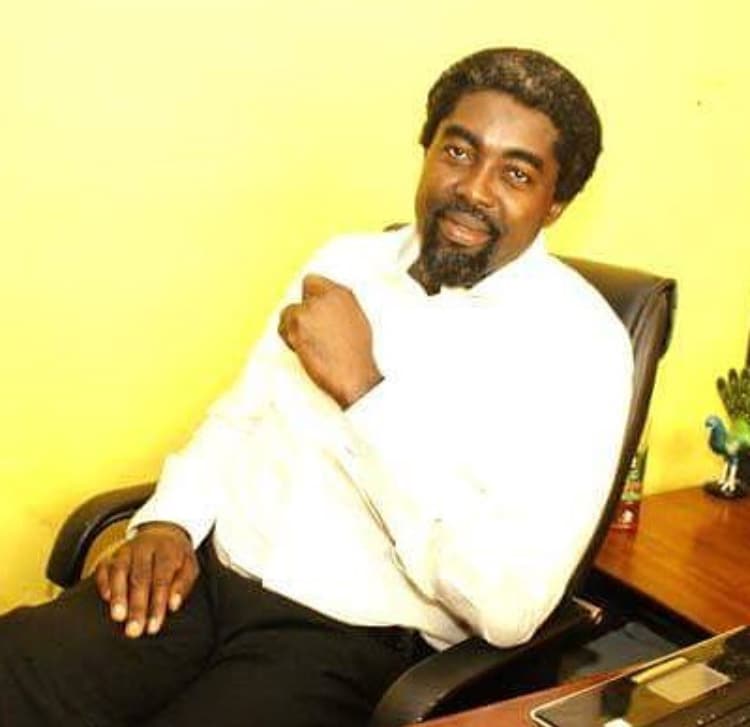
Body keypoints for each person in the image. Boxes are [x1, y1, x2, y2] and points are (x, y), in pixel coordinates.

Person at [0, 47, 633, 726]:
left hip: (345, 643)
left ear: (556, 202)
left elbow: (510, 606)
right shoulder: (345, 261)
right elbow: (242, 416)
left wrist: (366, 393)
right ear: (426, 151)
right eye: (458, 151)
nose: (474, 189)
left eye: (516, 173)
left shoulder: (581, 348)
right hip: (204, 581)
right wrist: (169, 520)